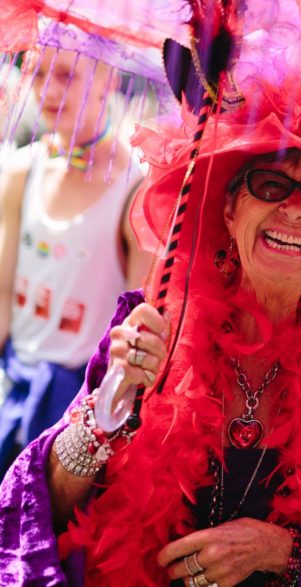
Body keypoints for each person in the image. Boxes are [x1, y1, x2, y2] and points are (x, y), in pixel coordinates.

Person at [0, 65, 301, 586]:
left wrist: (283, 550)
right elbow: (35, 513)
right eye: (271, 184)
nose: (294, 210)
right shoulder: (152, 324)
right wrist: (107, 410)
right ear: (229, 209)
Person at [0, 47, 152, 472]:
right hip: (12, 389)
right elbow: (3, 294)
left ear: (109, 79)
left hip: (78, 409)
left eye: (66, 75)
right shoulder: (21, 171)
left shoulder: (135, 190)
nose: (48, 90)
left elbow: (137, 322)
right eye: (36, 73)